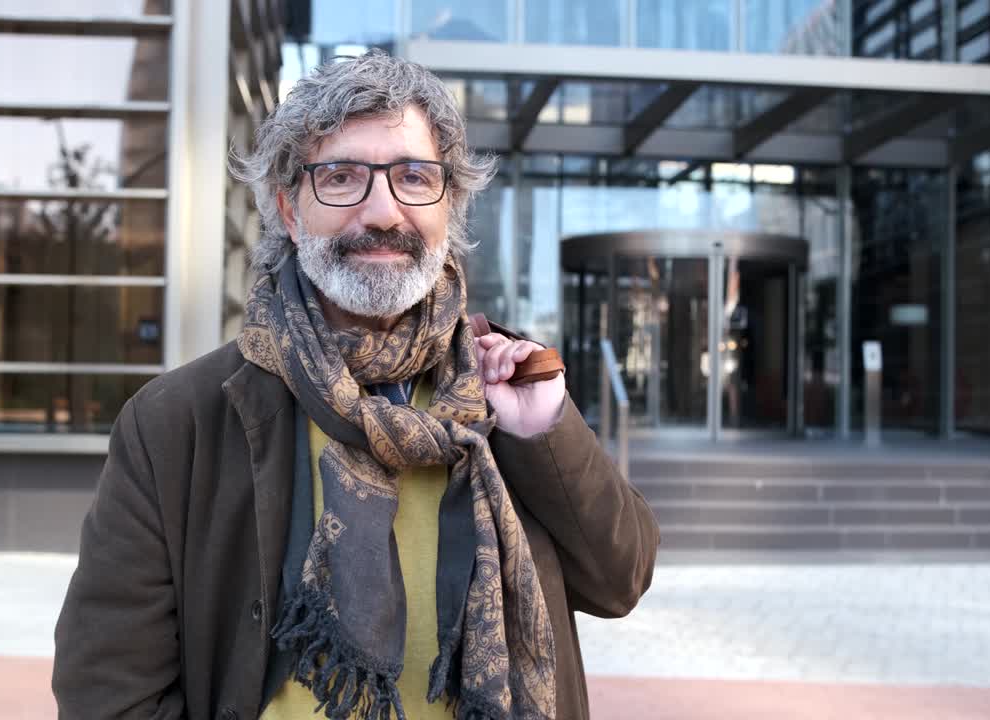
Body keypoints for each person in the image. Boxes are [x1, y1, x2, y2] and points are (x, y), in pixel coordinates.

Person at [53, 50, 659, 720]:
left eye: (413, 178)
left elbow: (620, 581)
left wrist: (544, 432)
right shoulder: (176, 423)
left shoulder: (502, 383)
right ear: (289, 209)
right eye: (341, 178)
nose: (382, 212)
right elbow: (108, 690)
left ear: (448, 207)